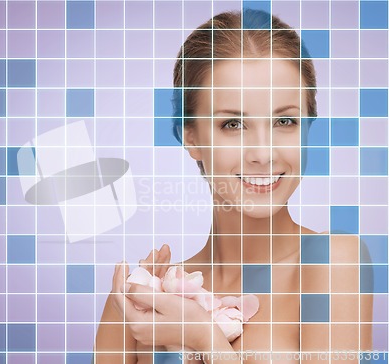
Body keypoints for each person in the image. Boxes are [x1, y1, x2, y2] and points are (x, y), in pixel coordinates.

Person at [94, 9, 373, 364]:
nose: (262, 153)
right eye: (232, 124)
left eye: (285, 121)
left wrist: (204, 339)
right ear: (190, 135)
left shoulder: (333, 260)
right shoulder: (143, 297)